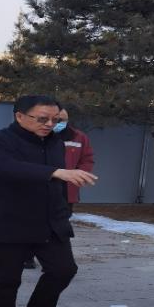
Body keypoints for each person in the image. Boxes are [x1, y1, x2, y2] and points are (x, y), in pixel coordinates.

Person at [0, 95, 98, 307]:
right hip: (8, 222)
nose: (50, 124)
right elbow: (6, 167)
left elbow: (59, 185)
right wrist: (55, 172)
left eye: (55, 119)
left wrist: (63, 211)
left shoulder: (55, 142)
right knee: (6, 280)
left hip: (50, 221)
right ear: (20, 116)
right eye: (42, 119)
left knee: (64, 270)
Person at [24, 106, 96, 269]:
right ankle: (27, 256)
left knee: (59, 227)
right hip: (38, 189)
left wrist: (80, 174)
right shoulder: (35, 135)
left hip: (66, 191)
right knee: (33, 223)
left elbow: (87, 159)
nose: (57, 123)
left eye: (61, 120)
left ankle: (52, 259)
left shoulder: (79, 137)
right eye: (55, 119)